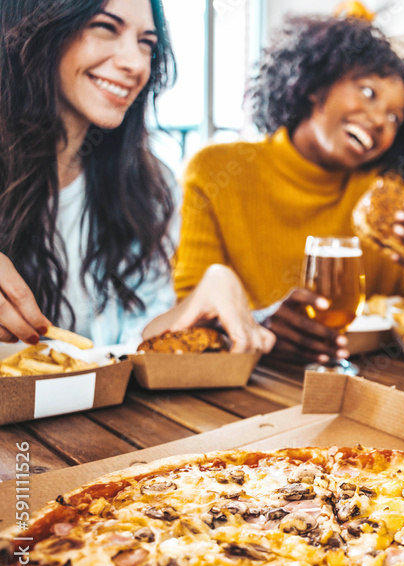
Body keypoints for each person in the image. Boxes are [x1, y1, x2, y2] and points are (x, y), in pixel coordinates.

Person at [173, 17, 404, 366]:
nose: (379, 120)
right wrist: (259, 326)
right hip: (240, 389)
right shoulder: (216, 171)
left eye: (395, 117)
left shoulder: (386, 200)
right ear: (315, 85)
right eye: (368, 92)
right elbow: (187, 318)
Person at [0, 0, 272, 352]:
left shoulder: (149, 188)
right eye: (105, 27)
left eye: (147, 42)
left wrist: (201, 300)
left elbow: (129, 347)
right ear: (37, 27)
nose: (136, 63)